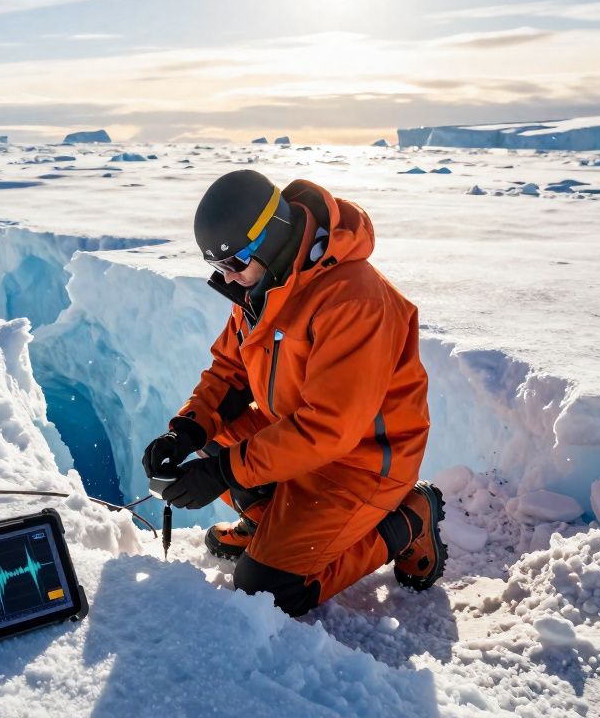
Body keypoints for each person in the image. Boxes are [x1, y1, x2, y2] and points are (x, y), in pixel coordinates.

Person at [142, 169, 445, 617]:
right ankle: (270, 527)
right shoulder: (263, 286)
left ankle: (407, 519)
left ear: (271, 236)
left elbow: (329, 428)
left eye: (236, 262)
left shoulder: (353, 298)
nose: (230, 276)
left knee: (266, 591)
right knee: (208, 441)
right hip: (299, 436)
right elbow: (230, 370)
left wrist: (224, 473)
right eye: (219, 267)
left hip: (363, 463)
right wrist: (184, 431)